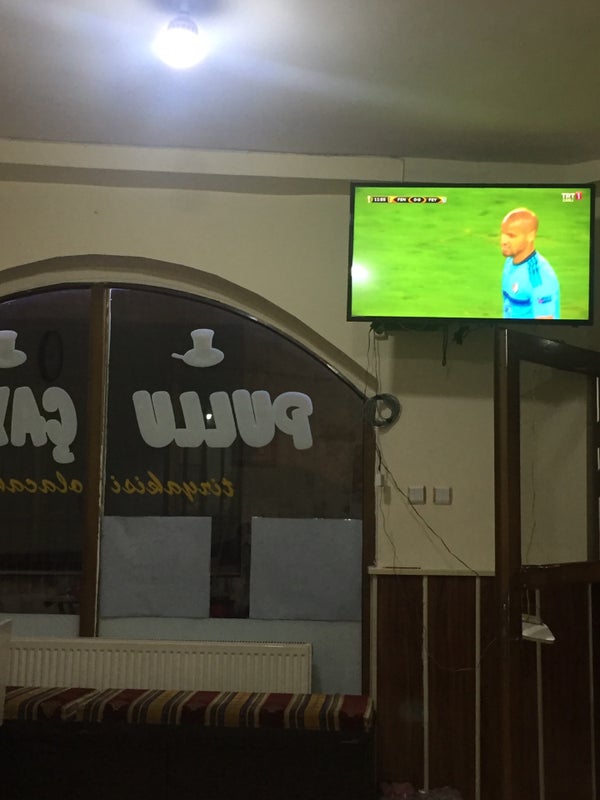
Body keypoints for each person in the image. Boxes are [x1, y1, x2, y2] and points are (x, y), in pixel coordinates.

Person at [500, 207, 560, 319]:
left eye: (511, 235)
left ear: (530, 236)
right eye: (503, 233)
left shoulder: (539, 279)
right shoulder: (509, 262)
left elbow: (545, 326)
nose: (503, 241)